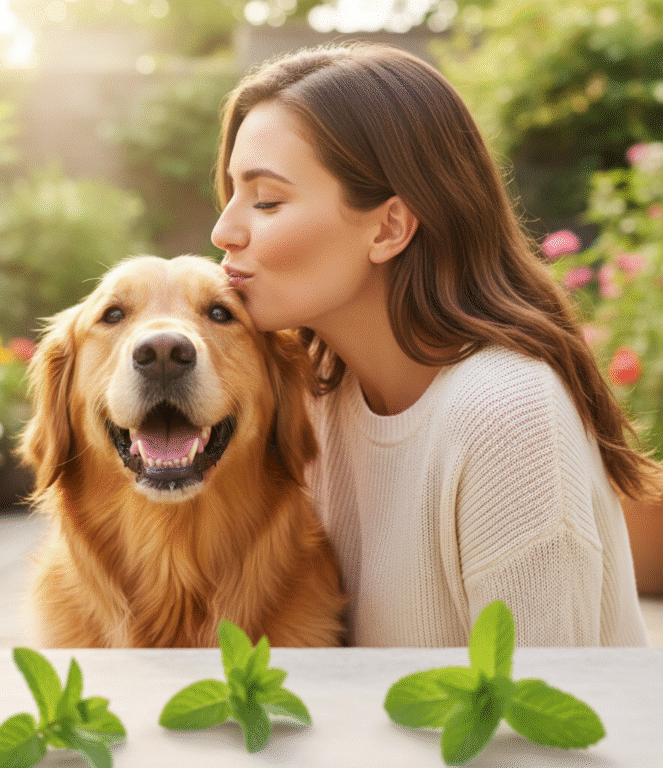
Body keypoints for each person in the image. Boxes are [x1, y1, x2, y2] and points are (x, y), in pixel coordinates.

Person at [210, 43, 660, 647]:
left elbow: (543, 730)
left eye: (265, 200)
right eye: (232, 194)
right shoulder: (313, 394)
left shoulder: (504, 418)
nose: (223, 230)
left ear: (390, 226)